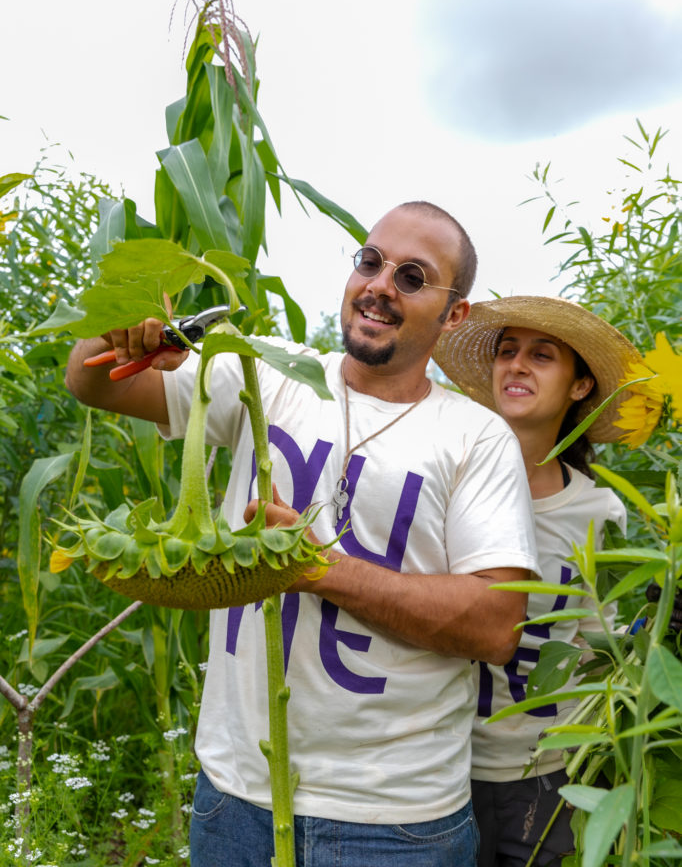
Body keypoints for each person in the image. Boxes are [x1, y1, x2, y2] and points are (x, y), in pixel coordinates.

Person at [65, 201, 539, 867]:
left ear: (453, 313)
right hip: (234, 796)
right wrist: (123, 335)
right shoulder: (265, 371)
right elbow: (92, 384)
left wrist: (316, 567)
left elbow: (496, 625)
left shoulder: (475, 438)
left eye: (412, 276)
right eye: (370, 262)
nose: (379, 284)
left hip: (393, 819)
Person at [434, 295, 642, 867]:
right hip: (441, 768)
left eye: (542, 355)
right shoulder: (444, 480)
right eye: (507, 351)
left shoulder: (598, 509)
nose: (517, 365)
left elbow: (603, 643)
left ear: (579, 386)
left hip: (549, 773)